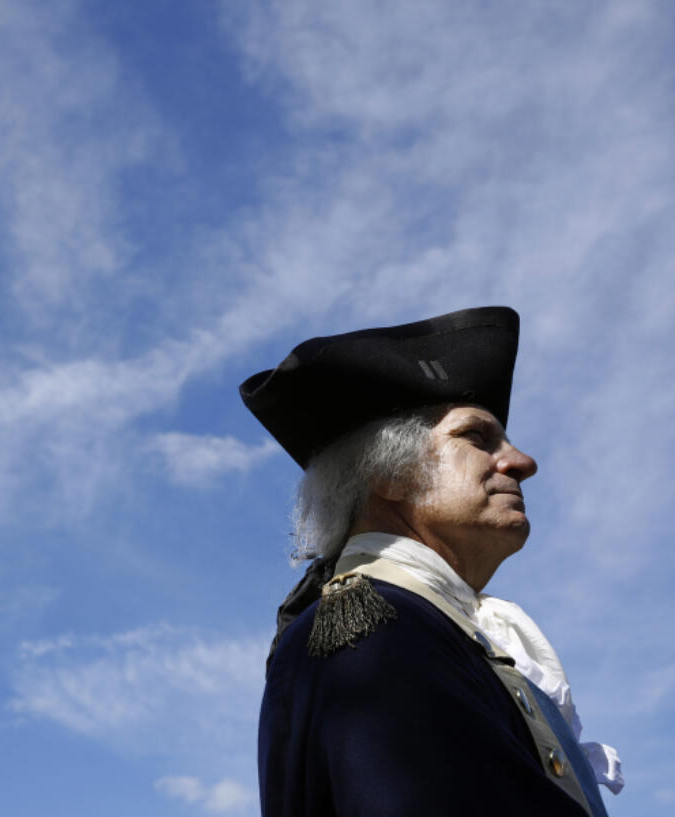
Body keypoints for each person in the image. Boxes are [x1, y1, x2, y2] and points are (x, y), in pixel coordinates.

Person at [240, 306, 622, 817]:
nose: (521, 462)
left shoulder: (428, 629)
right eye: (476, 438)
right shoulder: (375, 630)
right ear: (389, 475)